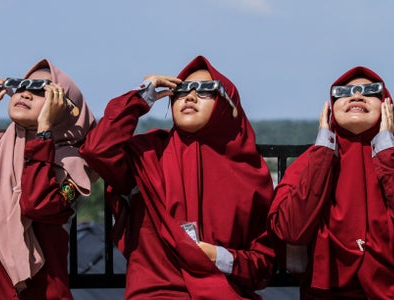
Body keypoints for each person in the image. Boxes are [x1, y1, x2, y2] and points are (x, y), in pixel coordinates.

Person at [79, 55, 275, 299]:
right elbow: (97, 149)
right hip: (155, 293)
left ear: (228, 105)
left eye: (206, 90)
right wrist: (143, 95)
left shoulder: (251, 174)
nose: (190, 96)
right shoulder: (148, 154)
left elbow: (263, 266)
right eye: (180, 90)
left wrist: (220, 257)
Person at [268, 66, 394, 299]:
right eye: (343, 92)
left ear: (387, 105)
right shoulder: (312, 163)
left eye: (371, 91)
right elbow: (291, 230)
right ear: (330, 108)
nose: (356, 95)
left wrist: (387, 154)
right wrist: (324, 151)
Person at [0, 59, 97, 299]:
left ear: (66, 106)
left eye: (41, 89)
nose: (25, 92)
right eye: (20, 85)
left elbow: (38, 205)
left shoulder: (76, 168)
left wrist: (43, 133)